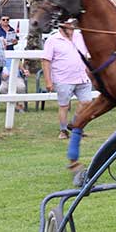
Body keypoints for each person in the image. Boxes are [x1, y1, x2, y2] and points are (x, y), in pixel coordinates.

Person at [41, 18, 93, 147]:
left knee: (87, 102)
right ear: (61, 26)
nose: (71, 27)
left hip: (82, 77)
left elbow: (86, 55)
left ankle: (75, 124)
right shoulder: (53, 40)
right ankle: (63, 130)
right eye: (68, 25)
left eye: (72, 25)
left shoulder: (80, 36)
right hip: (63, 78)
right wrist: (48, 81)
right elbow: (46, 61)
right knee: (64, 105)